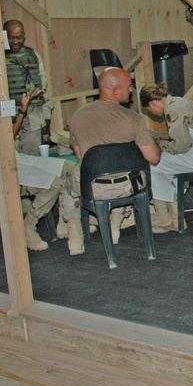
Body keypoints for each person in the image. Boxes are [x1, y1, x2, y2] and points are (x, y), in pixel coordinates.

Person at [0, 75, 79, 252]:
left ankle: (65, 219)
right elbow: (7, 139)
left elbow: (6, 138)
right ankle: (28, 227)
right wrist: (22, 110)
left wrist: (22, 108)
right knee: (54, 183)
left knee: (68, 167)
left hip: (11, 158)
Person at [69, 68, 161, 253]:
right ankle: (117, 219)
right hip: (128, 187)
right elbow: (153, 157)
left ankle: (75, 233)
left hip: (93, 188)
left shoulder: (77, 115)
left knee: (67, 183)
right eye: (129, 86)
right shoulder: (134, 119)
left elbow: (81, 157)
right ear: (115, 91)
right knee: (130, 172)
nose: (132, 90)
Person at [139, 83, 193, 232]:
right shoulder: (182, 101)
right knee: (170, 166)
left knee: (152, 162)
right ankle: (176, 218)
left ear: (152, 103)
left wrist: (162, 148)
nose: (151, 112)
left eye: (149, 109)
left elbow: (182, 145)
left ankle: (164, 217)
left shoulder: (173, 109)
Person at [0, 20, 52, 156]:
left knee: (32, 158)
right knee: (8, 157)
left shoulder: (33, 56)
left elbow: (43, 87)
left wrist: (46, 116)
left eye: (19, 37)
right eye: (11, 37)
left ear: (24, 36)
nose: (15, 41)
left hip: (31, 116)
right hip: (5, 116)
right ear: (3, 35)